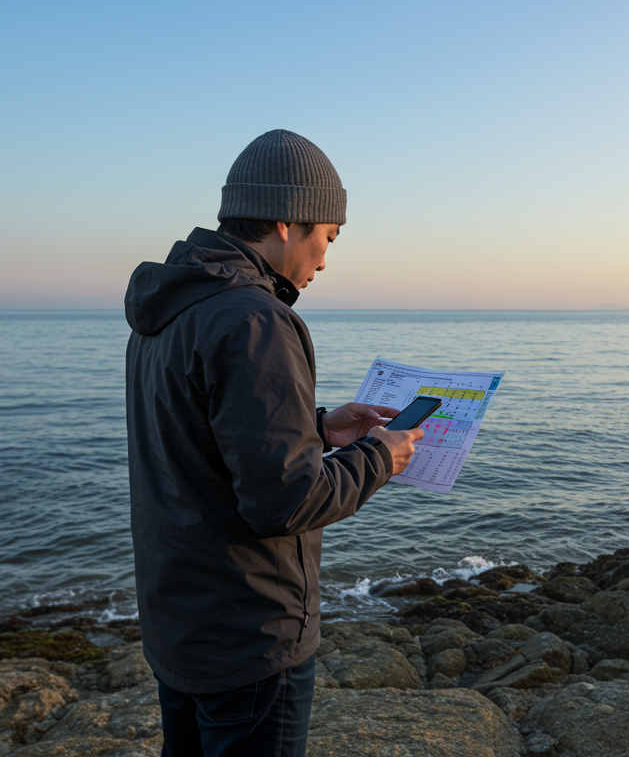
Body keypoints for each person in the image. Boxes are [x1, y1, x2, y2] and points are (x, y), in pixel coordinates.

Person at [123, 129, 423, 757]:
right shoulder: (256, 319)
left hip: (179, 624)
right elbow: (285, 501)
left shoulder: (169, 310)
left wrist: (316, 428)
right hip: (250, 637)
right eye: (328, 238)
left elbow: (195, 443)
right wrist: (380, 457)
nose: (325, 260)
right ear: (288, 222)